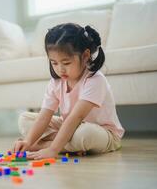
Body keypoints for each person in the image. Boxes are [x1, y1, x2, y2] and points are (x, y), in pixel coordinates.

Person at [13, 23, 124, 160]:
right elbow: (44, 116)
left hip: (102, 132)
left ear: (85, 56)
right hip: (68, 125)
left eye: (66, 63)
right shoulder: (56, 82)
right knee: (24, 119)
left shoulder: (95, 79)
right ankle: (63, 143)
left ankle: (45, 145)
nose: (60, 69)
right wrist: (28, 142)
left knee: (85, 134)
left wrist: (53, 150)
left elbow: (75, 117)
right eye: (54, 63)